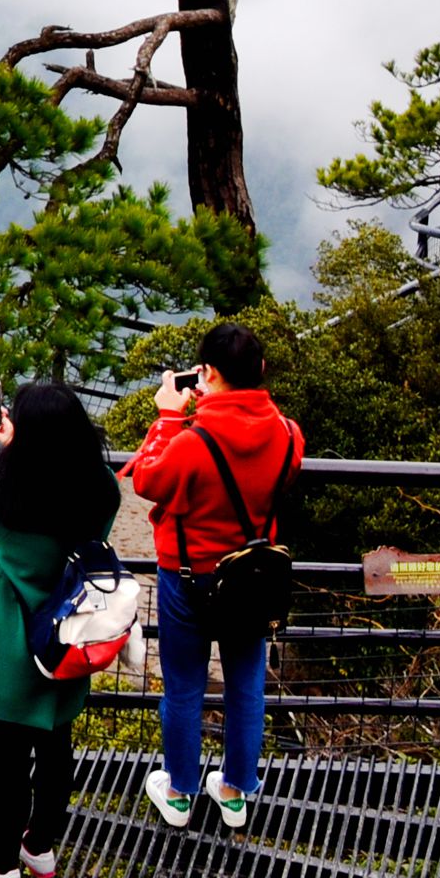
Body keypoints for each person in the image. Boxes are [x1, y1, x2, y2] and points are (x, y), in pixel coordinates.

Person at [0, 379, 120, 878]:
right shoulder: (98, 490)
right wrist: (31, 444)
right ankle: (39, 848)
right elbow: (65, 479)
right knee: (57, 746)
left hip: (9, 649)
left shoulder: (9, 505)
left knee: (8, 760)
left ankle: (0, 866)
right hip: (68, 635)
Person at [122, 320, 303, 834]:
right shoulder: (288, 434)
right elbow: (284, 467)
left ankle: (179, 792)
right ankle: (235, 791)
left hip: (188, 577)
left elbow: (150, 480)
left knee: (183, 687)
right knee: (247, 685)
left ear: (206, 373)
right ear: (261, 371)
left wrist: (167, 416)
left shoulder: (192, 441)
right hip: (252, 576)